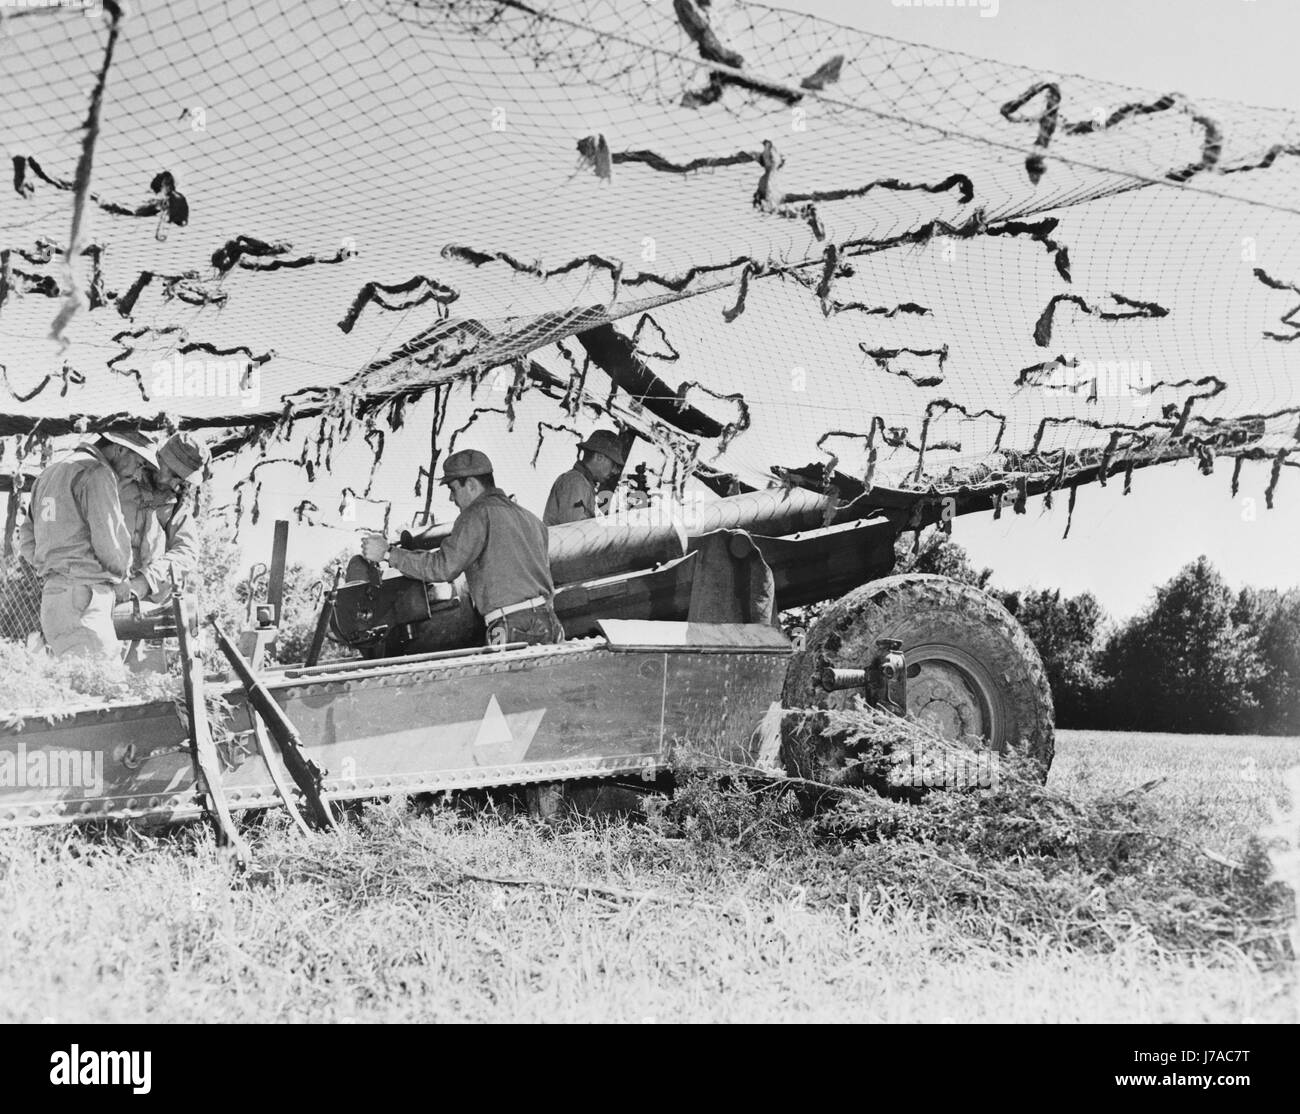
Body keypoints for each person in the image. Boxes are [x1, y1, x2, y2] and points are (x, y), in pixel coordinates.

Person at [361, 449, 563, 646]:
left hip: (512, 626)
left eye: (453, 489)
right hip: (550, 621)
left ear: (472, 485)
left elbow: (443, 567)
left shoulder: (476, 515)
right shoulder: (531, 519)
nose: (451, 498)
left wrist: (388, 553)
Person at [17, 432, 156, 660]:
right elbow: (109, 540)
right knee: (104, 683)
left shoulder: (48, 474)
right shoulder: (96, 472)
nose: (138, 474)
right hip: (85, 597)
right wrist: (122, 578)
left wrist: (57, 567)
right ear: (119, 449)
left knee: (77, 683)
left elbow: (27, 539)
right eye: (139, 464)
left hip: (54, 598)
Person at [115, 431, 208, 607]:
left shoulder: (175, 504)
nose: (172, 482)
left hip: (145, 601)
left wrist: (146, 581)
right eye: (172, 472)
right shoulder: (120, 474)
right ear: (159, 457)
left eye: (180, 478)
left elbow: (187, 551)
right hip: (101, 591)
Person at [542, 429, 625, 526]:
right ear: (599, 457)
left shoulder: (584, 484)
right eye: (614, 465)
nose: (615, 471)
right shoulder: (575, 482)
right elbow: (576, 530)